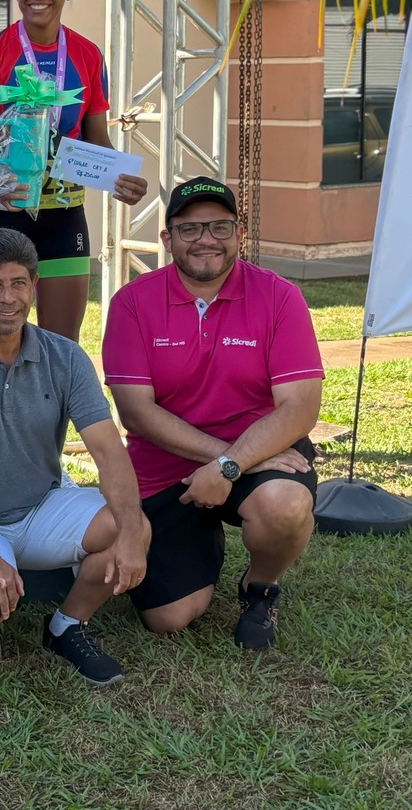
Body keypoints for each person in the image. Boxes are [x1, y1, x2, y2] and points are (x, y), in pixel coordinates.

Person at [0, 228, 149, 685]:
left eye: (19, 283)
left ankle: (67, 625)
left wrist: (133, 534)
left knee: (131, 526)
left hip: (42, 506)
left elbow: (108, 452)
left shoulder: (66, 356)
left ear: (34, 287)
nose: (8, 298)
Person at [102, 177, 322, 649]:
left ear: (239, 232)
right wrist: (228, 460)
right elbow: (136, 414)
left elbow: (300, 406)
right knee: (169, 618)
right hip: (168, 467)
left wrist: (233, 465)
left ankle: (260, 588)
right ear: (168, 239)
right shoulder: (132, 303)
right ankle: (203, 537)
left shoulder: (280, 296)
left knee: (283, 505)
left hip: (257, 455)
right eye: (190, 228)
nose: (207, 239)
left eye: (220, 226)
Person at [0, 0, 148, 342]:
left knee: (62, 344)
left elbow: (97, 139)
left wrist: (117, 176)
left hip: (63, 212)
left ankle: (55, 410)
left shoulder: (88, 56)